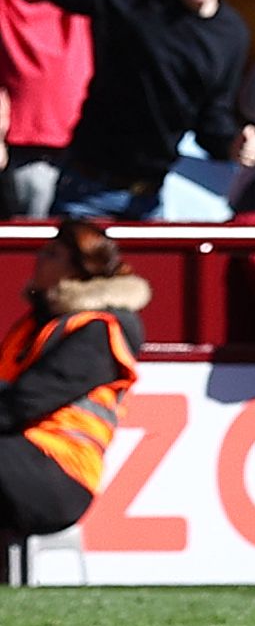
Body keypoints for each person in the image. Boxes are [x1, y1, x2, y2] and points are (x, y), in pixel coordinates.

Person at [39, 0, 250, 220]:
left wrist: (234, 143)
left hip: (149, 197)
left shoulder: (232, 34)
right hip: (88, 187)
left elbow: (211, 121)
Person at [0, 222, 149, 545]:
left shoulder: (98, 330)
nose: (39, 258)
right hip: (20, 453)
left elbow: (23, 403)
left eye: (53, 254)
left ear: (77, 272)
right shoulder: (38, 323)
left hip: (60, 470)